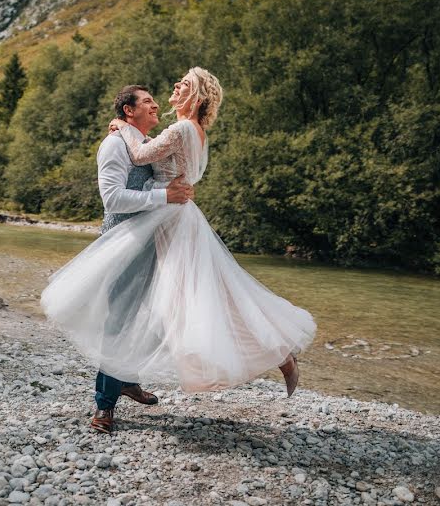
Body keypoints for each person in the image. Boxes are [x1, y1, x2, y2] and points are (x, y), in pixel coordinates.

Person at [42, 68, 315, 431]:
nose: (168, 91)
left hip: (167, 224)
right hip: (161, 224)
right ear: (130, 110)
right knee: (182, 303)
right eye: (148, 100)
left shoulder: (180, 130)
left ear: (197, 98)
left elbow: (140, 156)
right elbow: (122, 185)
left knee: (183, 304)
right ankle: (122, 383)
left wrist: (123, 129)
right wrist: (127, 135)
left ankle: (278, 352)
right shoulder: (177, 133)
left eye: (182, 85)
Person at [72, 84, 195, 434]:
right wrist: (164, 195)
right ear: (129, 111)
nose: (155, 105)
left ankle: (126, 379)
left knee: (153, 315)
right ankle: (104, 405)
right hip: (122, 244)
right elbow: (112, 199)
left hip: (152, 243)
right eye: (146, 101)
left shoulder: (140, 144)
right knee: (120, 321)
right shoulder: (113, 145)